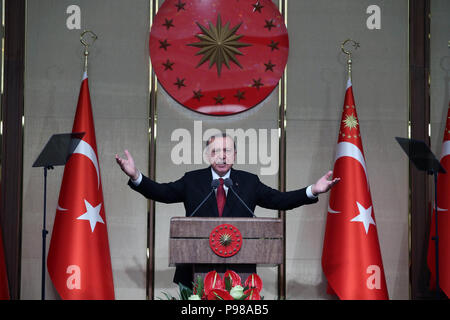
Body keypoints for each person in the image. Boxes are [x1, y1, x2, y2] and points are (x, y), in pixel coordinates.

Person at [115, 133, 340, 288]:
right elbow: (162, 193)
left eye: (227, 151)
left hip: (239, 271)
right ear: (208, 155)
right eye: (216, 151)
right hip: (195, 272)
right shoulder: (192, 180)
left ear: (235, 155)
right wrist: (136, 176)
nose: (222, 155)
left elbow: (279, 200)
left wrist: (313, 189)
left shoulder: (249, 182)